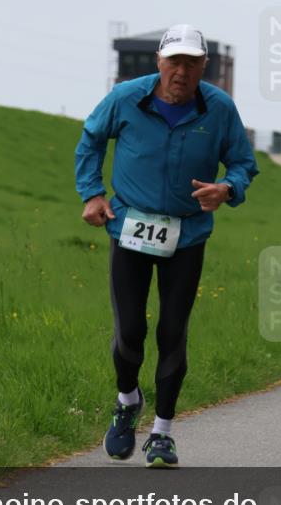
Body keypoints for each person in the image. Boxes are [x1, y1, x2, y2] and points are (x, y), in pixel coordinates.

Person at [74, 24, 258, 468]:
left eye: (191, 63)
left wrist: (227, 189)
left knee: (172, 331)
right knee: (131, 330)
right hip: (129, 228)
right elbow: (91, 139)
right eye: (173, 61)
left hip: (187, 235)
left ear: (204, 66)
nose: (181, 71)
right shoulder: (126, 98)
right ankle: (126, 400)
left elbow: (243, 163)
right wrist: (92, 193)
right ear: (159, 62)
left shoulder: (219, 108)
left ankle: (162, 433)